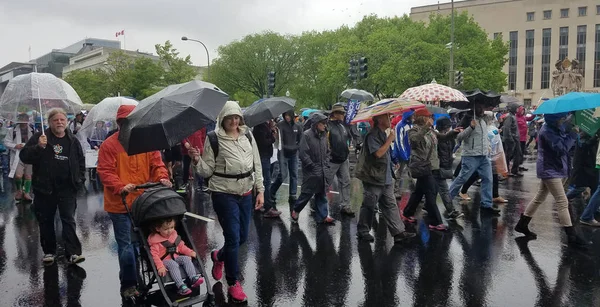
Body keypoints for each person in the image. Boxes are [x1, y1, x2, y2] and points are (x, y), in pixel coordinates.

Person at [188, 101, 264, 303]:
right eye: (230, 117)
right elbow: (206, 171)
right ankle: (233, 282)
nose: (234, 120)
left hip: (246, 192)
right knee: (232, 237)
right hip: (223, 193)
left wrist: (260, 191)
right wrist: (196, 160)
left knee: (242, 238)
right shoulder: (214, 138)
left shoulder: (247, 135)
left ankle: (218, 257)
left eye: (237, 116)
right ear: (222, 119)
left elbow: (256, 164)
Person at [97, 105, 172, 300]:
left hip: (144, 204)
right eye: (125, 122)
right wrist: (120, 186)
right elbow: (105, 171)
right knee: (127, 249)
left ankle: (155, 273)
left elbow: (157, 165)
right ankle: (128, 284)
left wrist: (162, 177)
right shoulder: (109, 145)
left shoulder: (147, 144)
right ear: (120, 123)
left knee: (147, 244)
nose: (129, 126)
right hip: (120, 205)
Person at [19, 108, 86, 265]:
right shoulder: (40, 137)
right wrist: (38, 147)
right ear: (49, 122)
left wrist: (80, 179)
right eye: (56, 120)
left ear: (66, 122)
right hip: (45, 189)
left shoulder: (72, 139)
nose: (60, 122)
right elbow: (24, 156)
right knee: (46, 221)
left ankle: (73, 253)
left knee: (68, 220)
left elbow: (80, 161)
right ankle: (49, 252)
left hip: (67, 188)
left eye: (62, 120)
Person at [514, 113, 589, 247]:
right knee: (562, 201)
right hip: (549, 169)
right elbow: (561, 149)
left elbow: (566, 144)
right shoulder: (547, 131)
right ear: (554, 119)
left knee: (539, 197)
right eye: (561, 119)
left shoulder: (554, 128)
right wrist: (572, 135)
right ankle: (571, 235)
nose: (563, 120)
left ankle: (522, 224)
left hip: (554, 167)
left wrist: (572, 132)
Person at [356, 113, 416, 243]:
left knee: (390, 205)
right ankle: (363, 231)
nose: (391, 119)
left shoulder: (383, 133)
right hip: (374, 177)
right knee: (369, 205)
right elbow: (377, 153)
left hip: (386, 176)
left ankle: (398, 232)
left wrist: (394, 159)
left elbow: (386, 152)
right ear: (379, 119)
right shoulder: (372, 135)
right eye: (388, 117)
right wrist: (390, 139)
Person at [403, 109, 460, 231]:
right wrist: (425, 127)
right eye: (429, 116)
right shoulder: (413, 130)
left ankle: (407, 213)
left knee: (419, 192)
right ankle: (435, 221)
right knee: (431, 192)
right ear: (422, 118)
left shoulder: (431, 131)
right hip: (423, 166)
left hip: (432, 166)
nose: (431, 119)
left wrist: (454, 132)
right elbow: (414, 141)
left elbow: (443, 137)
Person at [449, 105, 500, 214]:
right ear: (474, 108)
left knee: (488, 179)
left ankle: (486, 204)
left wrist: (487, 146)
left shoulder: (482, 120)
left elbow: (484, 135)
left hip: (483, 155)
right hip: (471, 155)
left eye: (483, 108)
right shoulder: (467, 119)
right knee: (462, 178)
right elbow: (459, 137)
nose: (483, 110)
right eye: (480, 108)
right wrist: (470, 127)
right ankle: (448, 200)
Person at [290, 112, 335, 224]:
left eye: (325, 123)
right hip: (311, 171)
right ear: (316, 124)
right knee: (306, 194)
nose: (325, 126)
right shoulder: (307, 135)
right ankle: (296, 210)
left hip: (322, 170)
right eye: (322, 123)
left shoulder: (324, 135)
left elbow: (328, 151)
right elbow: (303, 153)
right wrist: (311, 165)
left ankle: (324, 215)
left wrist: (327, 161)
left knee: (321, 193)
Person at [148, 217, 204, 295]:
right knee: (172, 264)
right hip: (164, 261)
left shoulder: (174, 236)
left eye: (172, 227)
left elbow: (181, 246)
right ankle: (181, 285)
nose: (169, 231)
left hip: (175, 256)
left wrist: (189, 252)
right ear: (158, 229)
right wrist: (160, 266)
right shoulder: (156, 241)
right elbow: (155, 255)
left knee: (186, 259)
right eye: (166, 229)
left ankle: (193, 277)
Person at [326, 104, 355, 216]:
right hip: (332, 160)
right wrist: (330, 155)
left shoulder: (342, 126)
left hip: (343, 159)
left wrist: (347, 150)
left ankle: (345, 205)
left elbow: (346, 139)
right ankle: (321, 206)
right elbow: (326, 144)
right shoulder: (328, 126)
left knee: (346, 182)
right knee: (326, 183)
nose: (343, 115)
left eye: (343, 113)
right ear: (335, 114)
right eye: (341, 113)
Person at [433, 116, 463, 219]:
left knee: (427, 190)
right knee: (444, 189)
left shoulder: (450, 139)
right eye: (447, 126)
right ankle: (451, 211)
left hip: (444, 166)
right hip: (437, 167)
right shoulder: (435, 136)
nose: (449, 128)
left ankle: (416, 208)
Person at [270, 110, 302, 206]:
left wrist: (297, 147)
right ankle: (272, 191)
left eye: (288, 115)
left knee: (294, 174)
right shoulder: (280, 125)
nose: (287, 117)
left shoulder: (298, 126)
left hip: (294, 153)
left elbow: (301, 139)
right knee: (283, 174)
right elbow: (279, 140)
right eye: (285, 115)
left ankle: (293, 194)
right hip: (283, 152)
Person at [253, 120, 280, 217]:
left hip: (266, 156)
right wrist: (272, 137)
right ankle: (267, 207)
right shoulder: (259, 127)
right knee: (266, 181)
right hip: (263, 156)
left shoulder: (264, 125)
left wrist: (271, 130)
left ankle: (259, 203)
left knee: (264, 180)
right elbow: (264, 142)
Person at [6, 113, 35, 201]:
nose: (24, 121)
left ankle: (26, 193)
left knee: (28, 175)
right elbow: (6, 142)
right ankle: (19, 191)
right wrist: (15, 146)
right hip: (18, 156)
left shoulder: (33, 130)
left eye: (25, 119)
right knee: (18, 175)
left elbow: (36, 142)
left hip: (29, 156)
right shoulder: (12, 130)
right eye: (22, 119)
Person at [392, 110, 415, 197]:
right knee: (399, 172)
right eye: (412, 115)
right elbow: (399, 142)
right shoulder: (400, 126)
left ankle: (415, 191)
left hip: (410, 153)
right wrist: (403, 154)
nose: (413, 117)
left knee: (412, 172)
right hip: (401, 154)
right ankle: (395, 190)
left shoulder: (411, 125)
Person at [503, 103, 523, 177]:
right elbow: (507, 128)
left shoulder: (513, 116)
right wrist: (510, 138)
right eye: (517, 108)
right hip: (511, 139)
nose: (518, 110)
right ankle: (506, 170)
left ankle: (515, 170)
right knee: (508, 155)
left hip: (516, 138)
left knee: (518, 154)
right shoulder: (509, 117)